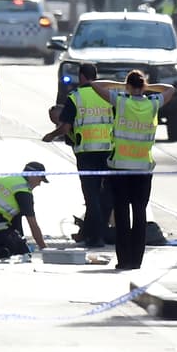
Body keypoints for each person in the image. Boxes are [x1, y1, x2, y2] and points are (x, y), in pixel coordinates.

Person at [91, 70, 176, 270]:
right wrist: (147, 87)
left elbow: (96, 85)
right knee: (140, 214)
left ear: (128, 86)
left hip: (120, 167)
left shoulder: (121, 102)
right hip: (142, 169)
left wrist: (122, 86)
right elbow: (171, 89)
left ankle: (124, 260)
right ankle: (136, 260)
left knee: (121, 214)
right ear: (143, 86)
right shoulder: (152, 104)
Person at [42, 63, 113, 248]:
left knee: (92, 197)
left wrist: (50, 136)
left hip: (87, 153)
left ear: (81, 77)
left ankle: (96, 237)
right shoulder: (107, 96)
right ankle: (92, 233)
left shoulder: (76, 97)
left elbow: (65, 127)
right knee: (103, 195)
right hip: (107, 151)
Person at [0, 161, 49, 261]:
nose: (39, 184)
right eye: (40, 180)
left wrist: (19, 237)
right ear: (33, 176)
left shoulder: (9, 179)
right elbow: (32, 223)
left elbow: (16, 220)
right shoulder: (23, 190)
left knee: (14, 236)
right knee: (24, 253)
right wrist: (45, 249)